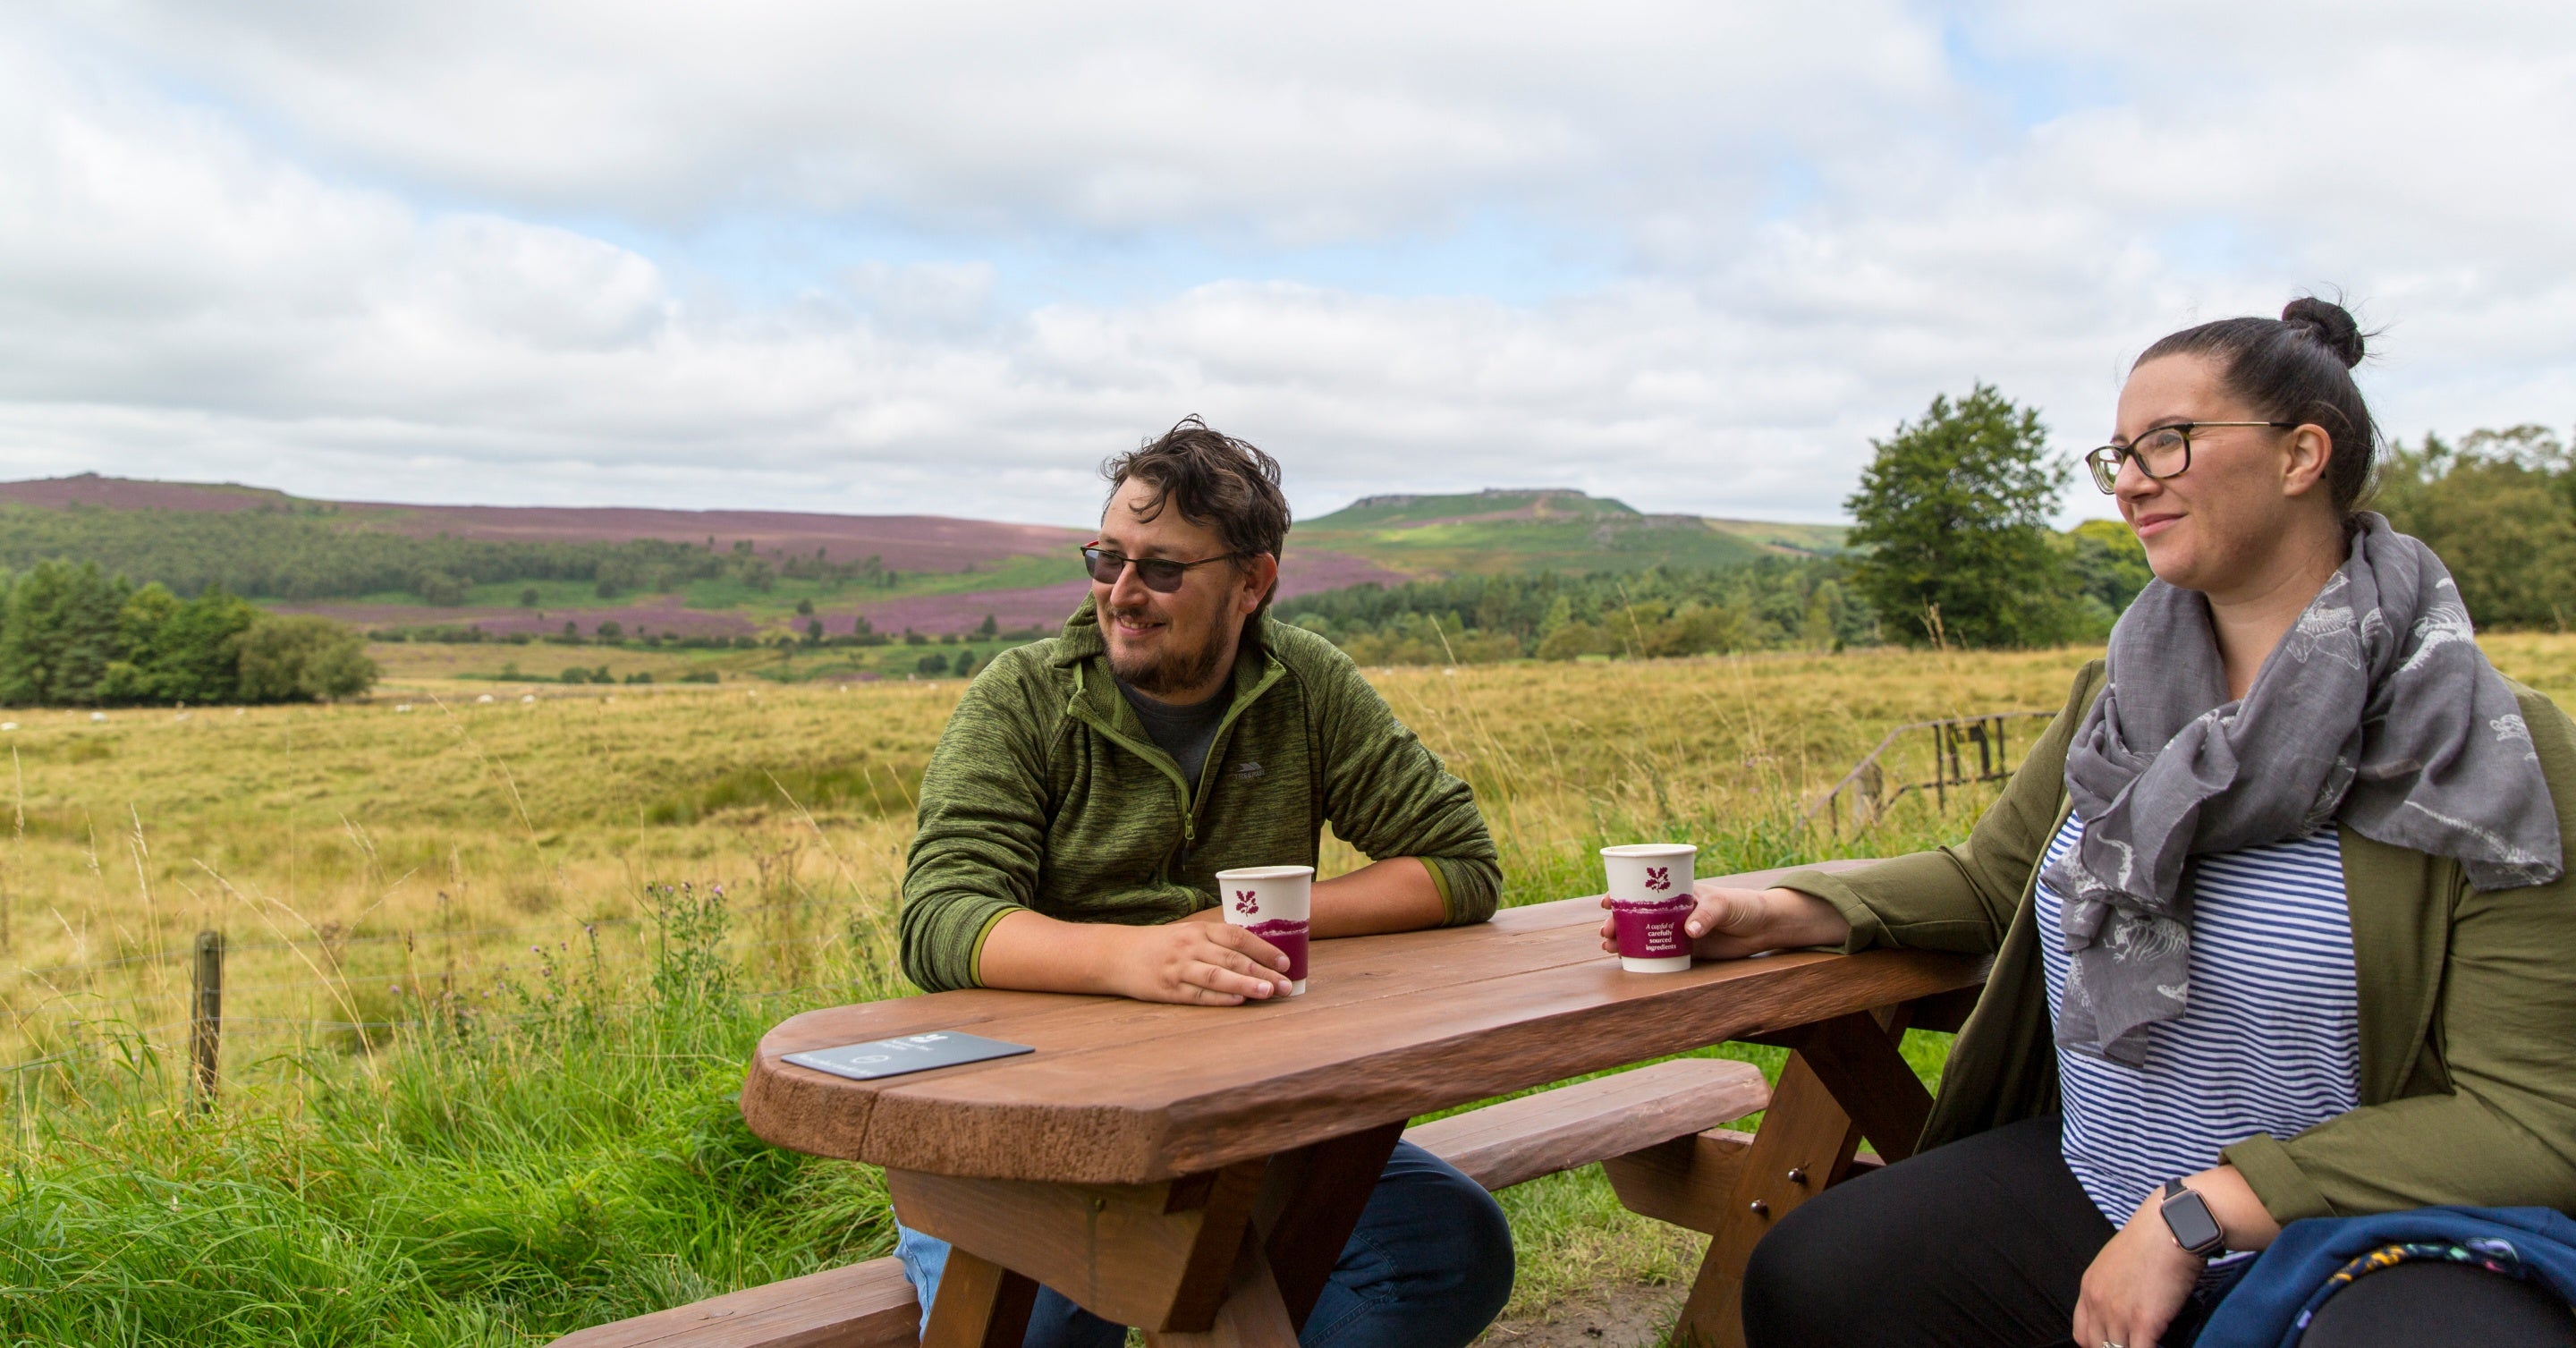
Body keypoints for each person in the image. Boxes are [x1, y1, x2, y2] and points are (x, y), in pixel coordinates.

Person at [1650, 298, 2576, 1348]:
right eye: (2120, 453)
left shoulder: (2484, 747)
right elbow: (1994, 881)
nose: (2132, 479)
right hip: (2109, 1171)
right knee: (1823, 1276)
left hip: (2363, 1220)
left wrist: (2203, 1211)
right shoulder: (2121, 699)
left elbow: (2535, 1120)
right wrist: (1779, 909)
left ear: (2301, 455)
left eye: (2170, 443)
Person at [894, 418, 1516, 1348]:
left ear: (1253, 583)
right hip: (1020, 1123)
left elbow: (1459, 867)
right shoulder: (1022, 695)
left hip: (1241, 1115)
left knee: (1448, 1253)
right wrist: (1135, 958)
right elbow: (939, 919)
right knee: (1047, 1325)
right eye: (1107, 559)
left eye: (1164, 569)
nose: (1124, 593)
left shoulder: (1305, 683)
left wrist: (1242, 923)